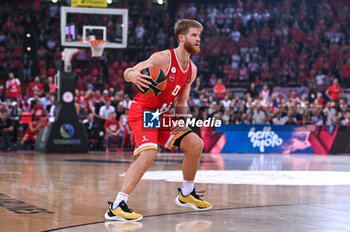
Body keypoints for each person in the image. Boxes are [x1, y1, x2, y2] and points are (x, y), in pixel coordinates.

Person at [105, 19, 212, 221]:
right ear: (181, 38)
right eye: (194, 35)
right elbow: (129, 71)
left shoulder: (192, 69)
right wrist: (133, 76)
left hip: (161, 115)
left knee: (196, 144)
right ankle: (117, 205)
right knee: (149, 153)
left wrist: (181, 118)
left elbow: (183, 100)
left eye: (199, 36)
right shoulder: (163, 58)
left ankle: (187, 193)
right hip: (144, 110)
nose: (198, 39)